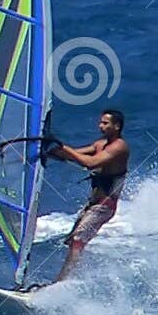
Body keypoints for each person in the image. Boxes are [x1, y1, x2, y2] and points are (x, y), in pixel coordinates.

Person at [43, 108, 129, 282]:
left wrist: (62, 147)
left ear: (117, 126)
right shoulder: (100, 144)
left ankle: (61, 284)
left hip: (105, 206)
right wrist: (48, 148)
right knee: (72, 241)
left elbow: (90, 163)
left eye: (105, 123)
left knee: (78, 240)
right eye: (100, 122)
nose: (100, 126)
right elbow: (75, 154)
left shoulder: (119, 147)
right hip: (93, 205)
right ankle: (68, 278)